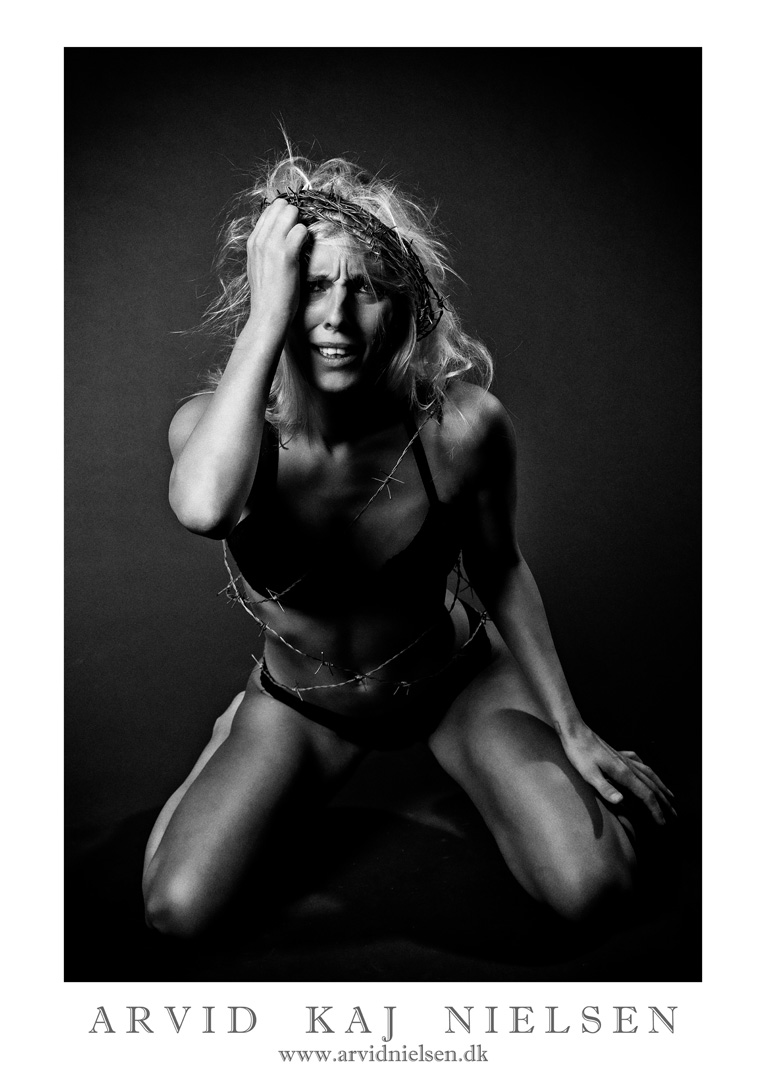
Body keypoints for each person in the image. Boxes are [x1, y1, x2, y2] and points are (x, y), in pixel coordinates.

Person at [142, 149, 674, 939]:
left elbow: (499, 566)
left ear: (403, 306)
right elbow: (204, 509)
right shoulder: (213, 428)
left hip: (452, 683)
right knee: (176, 913)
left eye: (365, 288)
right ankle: (234, 738)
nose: (336, 316)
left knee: (596, 894)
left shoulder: (459, 429)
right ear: (275, 293)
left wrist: (572, 727)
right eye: (312, 286)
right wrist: (264, 319)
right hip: (305, 706)